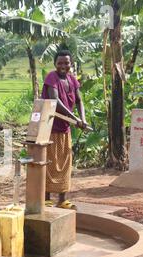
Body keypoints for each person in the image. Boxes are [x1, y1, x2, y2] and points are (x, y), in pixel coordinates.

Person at [41, 50, 88, 209]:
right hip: (49, 127)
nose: (63, 66)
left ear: (71, 64)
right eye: (60, 63)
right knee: (49, 161)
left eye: (66, 63)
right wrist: (75, 119)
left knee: (65, 162)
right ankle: (46, 198)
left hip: (65, 128)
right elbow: (55, 100)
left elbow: (80, 100)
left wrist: (83, 119)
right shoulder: (51, 78)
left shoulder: (73, 80)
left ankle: (62, 199)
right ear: (55, 64)